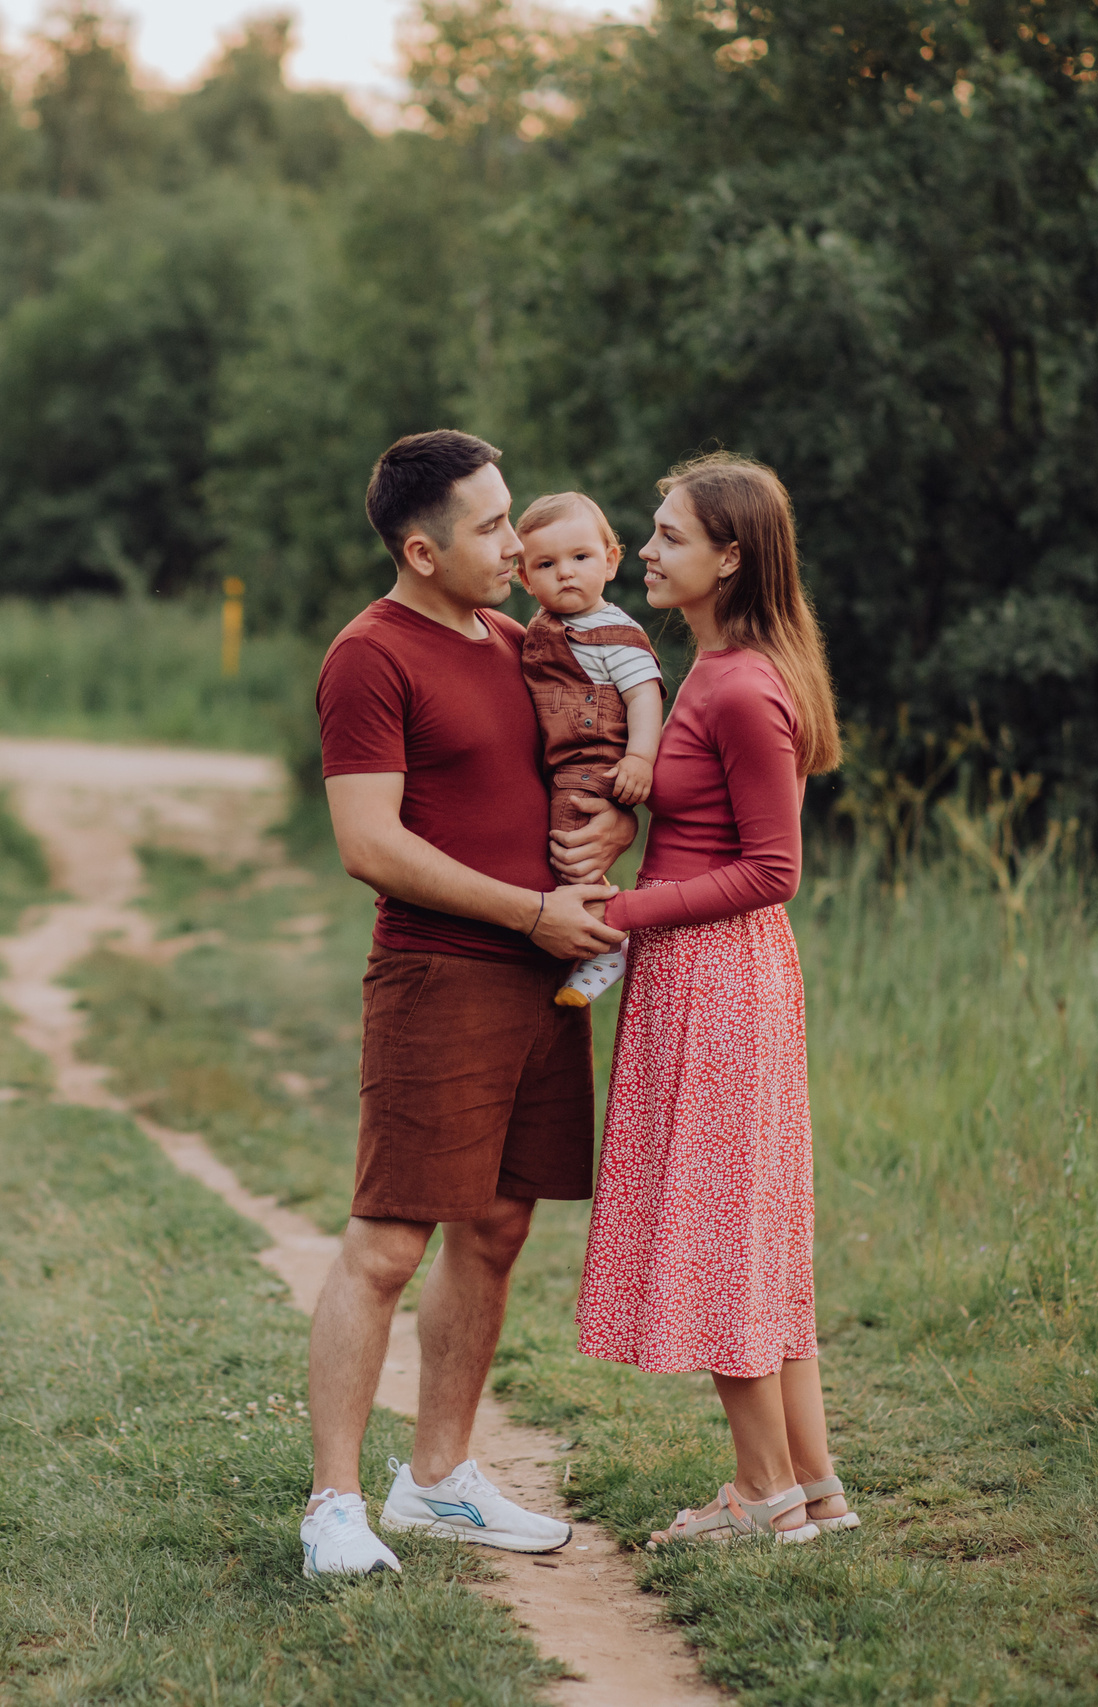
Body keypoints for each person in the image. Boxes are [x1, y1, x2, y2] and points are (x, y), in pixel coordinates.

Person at [298, 430, 638, 1577]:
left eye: (511, 517)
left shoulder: (518, 639)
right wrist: (525, 911)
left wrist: (615, 825)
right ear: (420, 548)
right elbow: (367, 843)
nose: (517, 540)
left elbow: (588, 760)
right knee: (389, 1242)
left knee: (495, 1228)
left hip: (542, 980)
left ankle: (437, 1480)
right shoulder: (368, 657)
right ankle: (333, 1508)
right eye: (491, 528)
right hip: (439, 976)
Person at [567, 451, 861, 1545]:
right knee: (758, 1237)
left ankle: (758, 1495)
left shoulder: (739, 685)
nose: (645, 549)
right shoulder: (720, 665)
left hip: (715, 977)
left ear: (730, 558)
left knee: (723, 1235)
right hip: (719, 972)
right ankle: (813, 1487)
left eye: (669, 536)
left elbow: (774, 871)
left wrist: (623, 911)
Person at [513, 492, 666, 1008]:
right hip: (561, 761)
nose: (566, 573)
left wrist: (640, 759)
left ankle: (606, 938)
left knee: (570, 843)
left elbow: (644, 695)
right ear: (525, 579)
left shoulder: (616, 634)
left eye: (581, 558)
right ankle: (598, 927)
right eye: (546, 564)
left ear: (611, 559)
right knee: (560, 842)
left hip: (597, 764)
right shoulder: (536, 631)